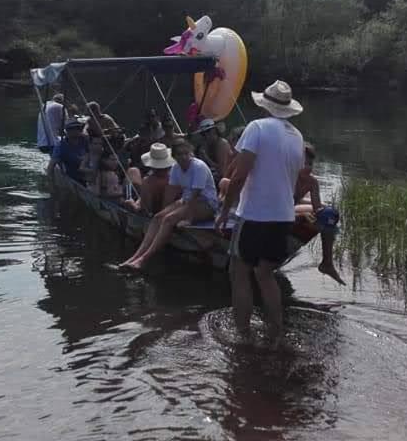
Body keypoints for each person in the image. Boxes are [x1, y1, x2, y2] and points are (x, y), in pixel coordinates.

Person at [215, 80, 305, 343]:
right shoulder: (297, 136)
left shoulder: (256, 128)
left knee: (238, 272)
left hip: (255, 215)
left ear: (264, 106)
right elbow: (295, 179)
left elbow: (239, 176)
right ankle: (276, 331)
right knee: (265, 274)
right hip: (283, 216)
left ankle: (242, 334)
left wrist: (224, 211)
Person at [119, 141, 218, 271]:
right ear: (174, 157)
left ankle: (143, 260)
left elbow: (194, 196)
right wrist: (163, 211)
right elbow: (170, 193)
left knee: (169, 219)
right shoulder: (176, 168)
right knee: (158, 217)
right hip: (187, 200)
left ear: (191, 154)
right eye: (179, 154)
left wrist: (188, 219)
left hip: (205, 203)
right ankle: (135, 257)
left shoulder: (198, 167)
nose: (183, 157)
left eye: (186, 153)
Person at [293, 144, 345, 285]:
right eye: (304, 163)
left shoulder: (312, 181)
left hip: (291, 209)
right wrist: (304, 213)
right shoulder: (286, 176)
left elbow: (317, 208)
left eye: (310, 163)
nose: (307, 166)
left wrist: (327, 216)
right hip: (279, 211)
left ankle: (327, 263)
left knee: (329, 214)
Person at [125, 143, 174, 214]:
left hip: (153, 214)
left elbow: (145, 210)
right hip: (169, 211)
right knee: (134, 171)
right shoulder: (175, 178)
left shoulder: (148, 182)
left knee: (132, 172)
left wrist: (133, 204)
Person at [46, 117, 89, 184]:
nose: (76, 131)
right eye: (72, 129)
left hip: (89, 172)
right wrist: (51, 181)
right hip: (74, 175)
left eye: (78, 128)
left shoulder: (86, 140)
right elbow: (51, 166)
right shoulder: (61, 146)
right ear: (67, 131)